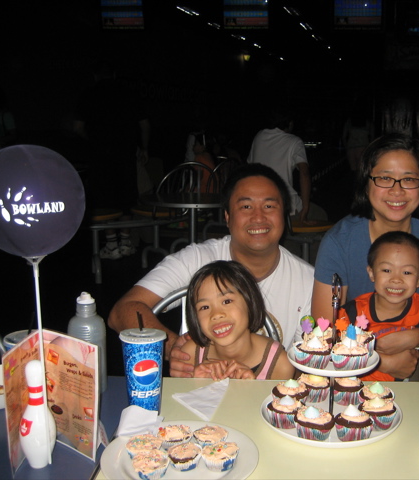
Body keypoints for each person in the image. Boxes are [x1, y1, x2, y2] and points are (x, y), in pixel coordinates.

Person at [108, 164, 314, 377]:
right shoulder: (196, 259)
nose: (259, 217)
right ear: (227, 217)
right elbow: (122, 312)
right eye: (246, 207)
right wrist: (174, 350)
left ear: (285, 213)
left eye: (269, 206)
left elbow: (305, 369)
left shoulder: (310, 282)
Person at [312, 132, 419, 380]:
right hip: (345, 362)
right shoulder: (339, 242)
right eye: (384, 178)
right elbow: (324, 331)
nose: (397, 190)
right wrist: (380, 362)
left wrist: (416, 337)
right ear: (366, 182)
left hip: (411, 354)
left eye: (409, 179)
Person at [337, 231, 419, 382]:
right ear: (371, 273)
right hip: (352, 390)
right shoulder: (350, 313)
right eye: (387, 270)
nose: (396, 279)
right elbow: (333, 351)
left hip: (401, 395)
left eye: (407, 272)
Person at [74, 60, 150, 259]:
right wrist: (144, 148)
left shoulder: (89, 94)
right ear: (114, 74)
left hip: (100, 155)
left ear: (95, 75)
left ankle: (111, 245)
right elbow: (144, 124)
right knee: (126, 197)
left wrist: (94, 140)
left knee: (104, 200)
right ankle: (125, 242)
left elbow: (77, 128)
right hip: (125, 153)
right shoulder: (129, 92)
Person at [180, 260, 295, 380]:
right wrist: (195, 384)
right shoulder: (190, 355)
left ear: (250, 302)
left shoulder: (279, 363)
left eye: (227, 301)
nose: (216, 314)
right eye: (204, 307)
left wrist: (251, 389)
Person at [247, 112, 325, 223]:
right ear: (290, 123)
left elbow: (250, 165)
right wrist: (305, 207)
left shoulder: (259, 136)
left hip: (258, 202)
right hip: (286, 206)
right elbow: (304, 173)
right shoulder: (294, 141)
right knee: (321, 214)